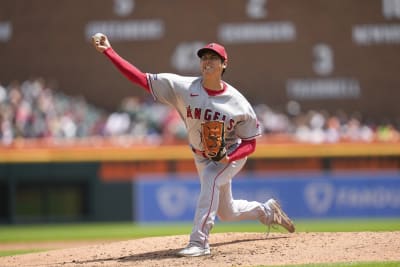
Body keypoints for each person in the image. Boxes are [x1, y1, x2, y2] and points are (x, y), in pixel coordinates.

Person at [92, 33, 295, 257]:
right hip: (200, 155)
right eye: (204, 57)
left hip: (229, 154)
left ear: (224, 64)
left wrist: (230, 157)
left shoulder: (238, 103)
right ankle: (267, 211)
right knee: (227, 212)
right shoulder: (184, 87)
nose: (207, 61)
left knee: (211, 178)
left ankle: (199, 242)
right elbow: (140, 78)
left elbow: (250, 144)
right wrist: (109, 52)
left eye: (213, 58)